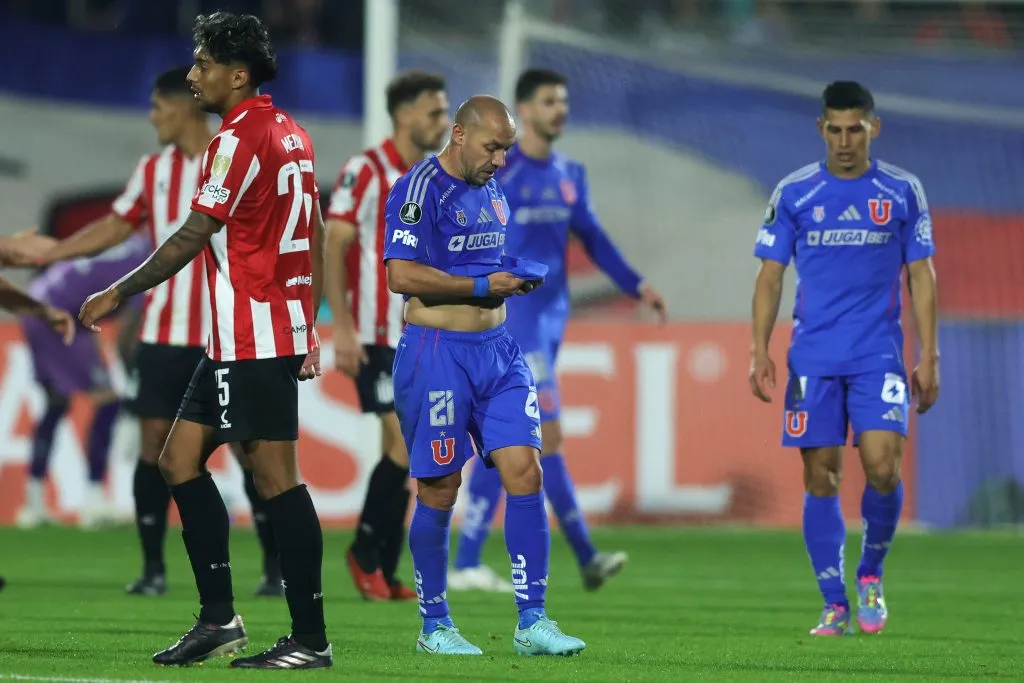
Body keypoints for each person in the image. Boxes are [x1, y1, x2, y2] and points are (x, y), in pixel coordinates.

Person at [80, 12, 332, 668]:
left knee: (276, 479)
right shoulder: (293, 134)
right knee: (176, 460)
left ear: (237, 73)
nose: (194, 75)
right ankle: (219, 617)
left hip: (254, 332)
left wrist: (119, 290)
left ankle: (310, 638)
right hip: (247, 333)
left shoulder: (236, 140)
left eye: (203, 65)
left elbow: (195, 232)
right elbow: (317, 230)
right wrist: (307, 320)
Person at [2, 65, 284, 599]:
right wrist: (55, 252)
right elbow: (117, 224)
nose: (152, 117)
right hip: (161, 334)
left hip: (225, 335)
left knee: (250, 451)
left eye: (157, 107)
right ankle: (153, 569)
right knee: (153, 448)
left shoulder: (234, 157)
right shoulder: (154, 170)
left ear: (178, 106)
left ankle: (274, 569)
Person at [450, 68, 667, 593]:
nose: (559, 110)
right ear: (524, 110)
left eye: (563, 101)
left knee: (517, 438)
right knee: (541, 436)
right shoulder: (501, 171)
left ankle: (471, 561)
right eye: (549, 101)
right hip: (515, 323)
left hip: (552, 323)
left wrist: (636, 284)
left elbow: (592, 236)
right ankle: (577, 555)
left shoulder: (570, 173)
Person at [384, 94, 586, 656]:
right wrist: (480, 288)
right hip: (436, 353)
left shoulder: (491, 191)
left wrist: (510, 277)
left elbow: (478, 266)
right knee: (441, 488)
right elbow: (400, 274)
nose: (500, 159)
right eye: (493, 147)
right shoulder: (418, 188)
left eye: (506, 149)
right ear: (458, 134)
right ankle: (435, 625)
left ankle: (533, 621)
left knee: (525, 471)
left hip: (499, 350)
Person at [748, 81, 939, 636]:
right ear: (821, 130)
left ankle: (871, 574)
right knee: (821, 478)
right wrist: (759, 349)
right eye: (835, 129)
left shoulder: (902, 191)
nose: (846, 140)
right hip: (812, 358)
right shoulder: (795, 192)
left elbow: (922, 274)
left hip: (879, 353)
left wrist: (930, 354)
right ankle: (834, 601)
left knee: (882, 467)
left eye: (856, 128)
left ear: (873, 128)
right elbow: (769, 276)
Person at [325, 70, 449, 602]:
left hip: (421, 334)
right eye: (434, 112)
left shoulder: (435, 177)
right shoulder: (366, 169)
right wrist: (344, 327)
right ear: (403, 114)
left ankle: (387, 567)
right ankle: (364, 553)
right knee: (400, 445)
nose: (442, 123)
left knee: (411, 451)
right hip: (376, 334)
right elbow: (334, 246)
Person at [13, 235, 149, 529]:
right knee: (108, 399)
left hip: (38, 301)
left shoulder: (133, 245)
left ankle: (32, 504)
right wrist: (132, 383)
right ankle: (94, 500)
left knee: (56, 403)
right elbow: (127, 336)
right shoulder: (154, 261)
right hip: (59, 314)